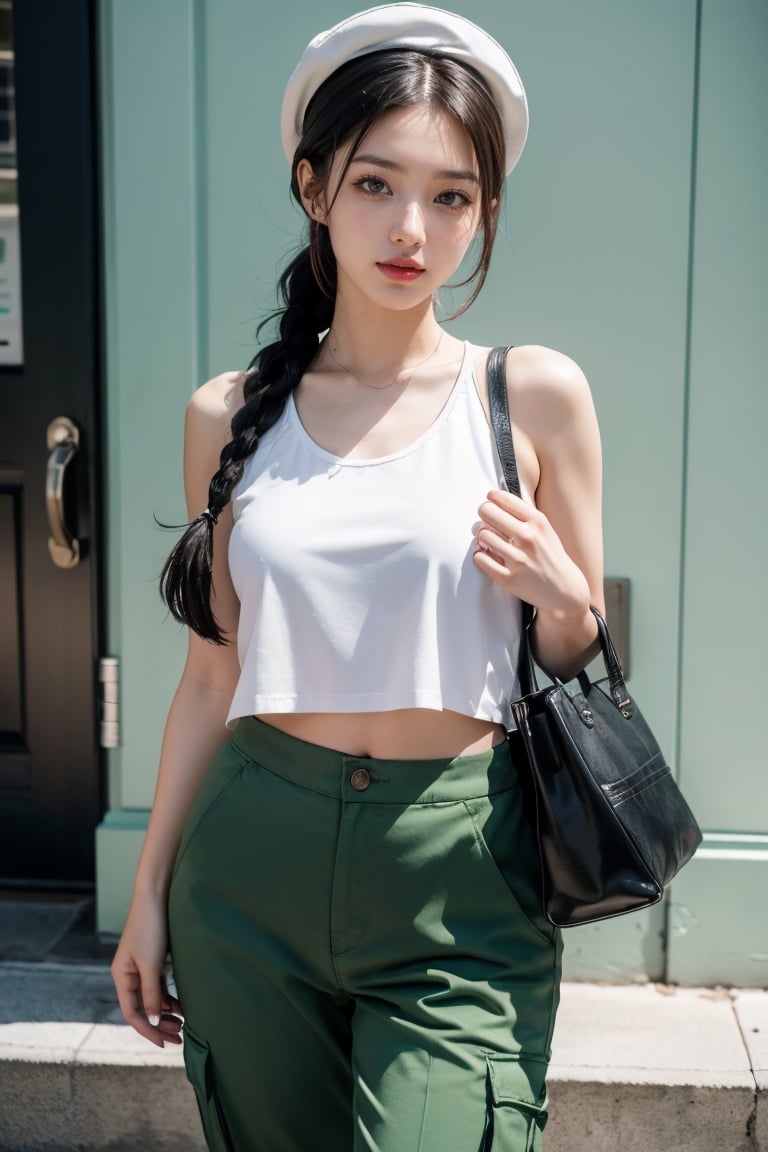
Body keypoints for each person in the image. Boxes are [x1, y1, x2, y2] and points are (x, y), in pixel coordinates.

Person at [111, 4, 604, 1149]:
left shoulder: (532, 396)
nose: (411, 231)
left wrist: (566, 597)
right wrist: (146, 896)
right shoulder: (229, 415)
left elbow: (578, 663)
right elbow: (207, 682)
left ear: (482, 214)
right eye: (376, 184)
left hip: (461, 874)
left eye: (452, 198)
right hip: (249, 870)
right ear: (313, 184)